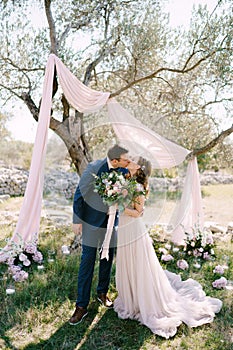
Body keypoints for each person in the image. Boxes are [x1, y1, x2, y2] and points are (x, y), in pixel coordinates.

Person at [114, 157, 222, 339]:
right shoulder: (126, 181)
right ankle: (130, 298)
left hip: (133, 229)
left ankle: (142, 300)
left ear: (139, 168)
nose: (129, 161)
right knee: (127, 262)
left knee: (138, 264)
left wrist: (119, 207)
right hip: (125, 229)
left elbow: (139, 213)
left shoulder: (138, 187)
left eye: (132, 160)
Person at [69, 144, 130, 325]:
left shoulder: (122, 171)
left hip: (111, 222)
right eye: (125, 159)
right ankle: (81, 306)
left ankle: (102, 293)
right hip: (91, 222)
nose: (128, 162)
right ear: (114, 160)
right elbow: (79, 193)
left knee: (107, 258)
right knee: (87, 261)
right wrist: (76, 220)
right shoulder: (94, 168)